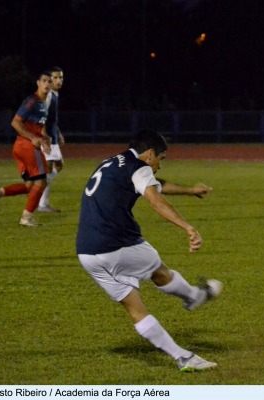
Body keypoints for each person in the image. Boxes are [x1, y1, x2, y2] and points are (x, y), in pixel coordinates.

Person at [76, 129, 222, 372]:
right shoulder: (139, 167)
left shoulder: (112, 162)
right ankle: (194, 296)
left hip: (87, 252)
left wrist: (189, 190)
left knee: (135, 310)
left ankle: (184, 358)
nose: (159, 166)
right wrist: (188, 227)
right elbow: (154, 198)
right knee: (159, 271)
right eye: (161, 160)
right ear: (150, 153)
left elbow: (156, 184)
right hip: (117, 244)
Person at [0, 71, 52, 227]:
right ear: (38, 83)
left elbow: (38, 127)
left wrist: (44, 138)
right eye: (44, 80)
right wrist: (34, 138)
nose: (47, 84)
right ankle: (26, 218)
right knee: (41, 183)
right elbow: (15, 122)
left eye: (49, 81)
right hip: (27, 146)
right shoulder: (32, 101)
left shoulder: (44, 104)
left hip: (21, 147)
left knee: (30, 186)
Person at [38, 66, 65, 213]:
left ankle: (41, 197)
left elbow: (53, 118)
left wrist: (58, 133)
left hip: (53, 136)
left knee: (59, 166)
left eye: (61, 77)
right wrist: (44, 137)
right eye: (55, 78)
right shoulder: (48, 95)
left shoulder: (55, 94)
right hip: (47, 138)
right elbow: (42, 117)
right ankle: (42, 204)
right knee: (47, 171)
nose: (58, 80)